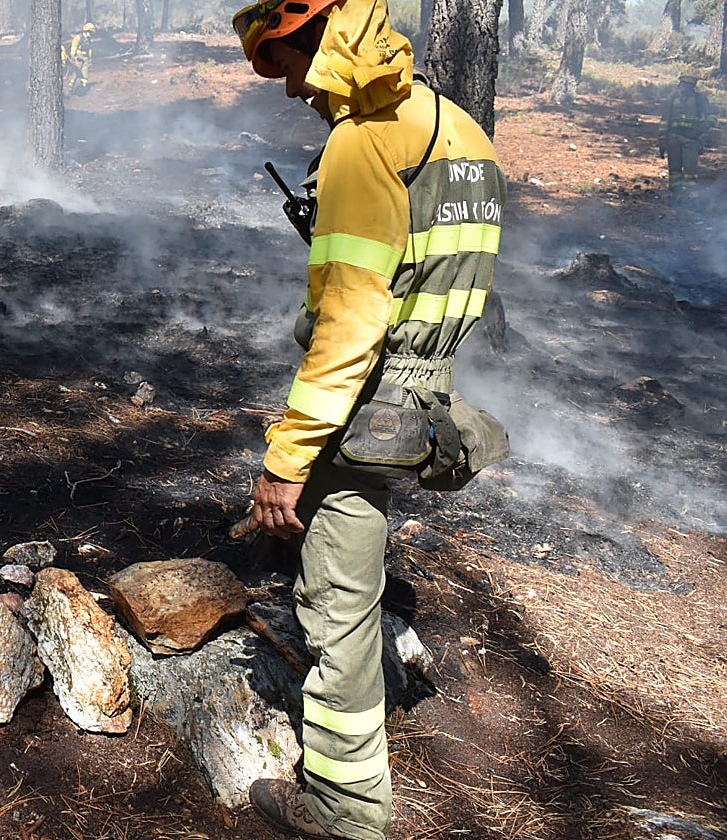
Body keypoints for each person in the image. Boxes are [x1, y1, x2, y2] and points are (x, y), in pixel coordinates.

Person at [231, 0, 508, 838]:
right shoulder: (458, 129)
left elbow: (353, 322)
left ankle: (345, 815)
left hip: (363, 409)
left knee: (337, 611)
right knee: (350, 588)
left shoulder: (362, 142)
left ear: (313, 33)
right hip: (425, 397)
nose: (285, 92)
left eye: (280, 63)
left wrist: (287, 458)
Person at [660, 75, 714, 195]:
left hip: (691, 138)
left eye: (689, 86)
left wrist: (705, 126)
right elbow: (664, 120)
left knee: (690, 170)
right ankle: (675, 194)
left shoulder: (700, 99)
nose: (685, 88)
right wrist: (662, 138)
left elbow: (712, 116)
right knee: (674, 169)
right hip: (673, 137)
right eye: (684, 85)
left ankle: (690, 196)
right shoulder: (672, 99)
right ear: (679, 84)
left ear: (693, 87)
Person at [62, 22, 96, 95]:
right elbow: (74, 47)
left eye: (91, 32)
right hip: (79, 58)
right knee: (76, 74)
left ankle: (82, 90)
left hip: (86, 59)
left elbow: (90, 49)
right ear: (86, 31)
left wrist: (90, 59)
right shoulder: (78, 38)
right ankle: (69, 90)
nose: (91, 34)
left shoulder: (89, 39)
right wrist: (73, 57)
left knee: (85, 75)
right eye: (90, 32)